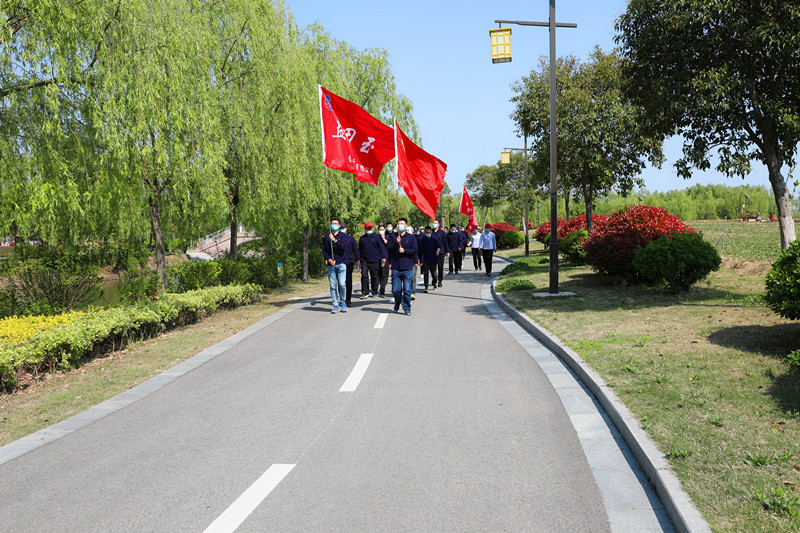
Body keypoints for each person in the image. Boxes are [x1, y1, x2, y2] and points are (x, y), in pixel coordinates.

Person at [386, 217, 417, 315]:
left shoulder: (411, 237)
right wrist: (396, 243)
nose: (400, 225)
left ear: (406, 226)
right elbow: (388, 248)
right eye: (399, 224)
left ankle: (407, 308)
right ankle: (397, 302)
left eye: (402, 223)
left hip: (407, 267)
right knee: (396, 290)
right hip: (396, 267)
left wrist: (405, 251)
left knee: (407, 290)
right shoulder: (393, 237)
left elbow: (415, 250)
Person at [322, 218, 348, 313]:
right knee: (332, 285)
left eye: (336, 223)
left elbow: (344, 247)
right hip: (331, 265)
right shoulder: (327, 236)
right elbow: (324, 250)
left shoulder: (343, 236)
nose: (334, 225)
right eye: (332, 223)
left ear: (339, 225)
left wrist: (334, 240)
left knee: (342, 284)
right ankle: (335, 305)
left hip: (341, 263)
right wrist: (329, 259)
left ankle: (343, 302)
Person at [358, 222, 386, 298]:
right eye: (368, 228)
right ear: (365, 228)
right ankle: (365, 292)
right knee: (364, 276)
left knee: (374, 277)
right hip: (364, 260)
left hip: (375, 260)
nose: (369, 229)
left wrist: (383, 257)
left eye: (370, 227)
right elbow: (359, 250)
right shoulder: (362, 238)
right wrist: (358, 260)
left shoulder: (376, 237)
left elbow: (381, 248)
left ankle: (374, 291)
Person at [339, 222, 359, 306]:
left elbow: (355, 250)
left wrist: (358, 260)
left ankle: (348, 299)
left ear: (346, 228)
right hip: (339, 262)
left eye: (343, 228)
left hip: (349, 262)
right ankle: (342, 298)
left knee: (348, 281)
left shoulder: (350, 238)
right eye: (340, 228)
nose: (342, 229)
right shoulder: (336, 238)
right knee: (341, 282)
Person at [419, 226, 442, 292]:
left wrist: (438, 250)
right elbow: (421, 251)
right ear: (425, 232)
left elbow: (439, 246)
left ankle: (434, 283)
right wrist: (421, 260)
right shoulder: (422, 240)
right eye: (427, 232)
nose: (428, 234)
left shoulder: (434, 239)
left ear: (431, 232)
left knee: (434, 274)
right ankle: (426, 286)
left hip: (433, 259)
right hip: (425, 259)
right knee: (426, 273)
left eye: (429, 232)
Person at [432, 221, 448, 287]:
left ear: (438, 224)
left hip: (441, 252)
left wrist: (447, 251)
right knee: (433, 268)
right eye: (433, 223)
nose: (434, 224)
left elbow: (445, 242)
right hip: (432, 252)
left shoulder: (442, 233)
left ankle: (440, 281)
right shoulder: (431, 232)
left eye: (436, 223)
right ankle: (434, 279)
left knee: (440, 267)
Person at [377, 224, 390, 295]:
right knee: (379, 273)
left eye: (382, 230)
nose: (381, 231)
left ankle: (382, 288)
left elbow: (389, 246)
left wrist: (384, 239)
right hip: (378, 258)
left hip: (386, 258)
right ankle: (380, 286)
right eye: (380, 230)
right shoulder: (376, 238)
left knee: (384, 274)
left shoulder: (388, 237)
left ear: (384, 230)